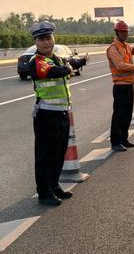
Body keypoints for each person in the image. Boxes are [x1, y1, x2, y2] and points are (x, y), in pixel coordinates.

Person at [29, 21, 88, 206]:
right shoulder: (37, 61)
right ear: (36, 42)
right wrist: (68, 69)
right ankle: (44, 192)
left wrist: (80, 61)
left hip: (61, 114)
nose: (46, 42)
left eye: (49, 38)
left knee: (59, 153)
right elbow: (54, 72)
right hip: (46, 115)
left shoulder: (57, 58)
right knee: (45, 155)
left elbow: (69, 64)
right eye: (42, 39)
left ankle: (54, 186)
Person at [107, 21, 134, 152]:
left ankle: (124, 139)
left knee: (127, 114)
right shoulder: (113, 48)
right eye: (122, 32)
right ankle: (115, 142)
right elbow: (120, 66)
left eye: (126, 32)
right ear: (117, 32)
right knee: (119, 115)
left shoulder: (126, 46)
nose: (125, 34)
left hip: (129, 85)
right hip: (120, 86)